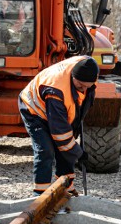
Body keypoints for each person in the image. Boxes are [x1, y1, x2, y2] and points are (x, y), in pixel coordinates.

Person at [18, 56, 98, 195]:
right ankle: (40, 194)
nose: (83, 89)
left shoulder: (87, 68)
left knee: (68, 145)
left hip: (58, 109)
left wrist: (74, 138)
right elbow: (60, 134)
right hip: (34, 109)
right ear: (73, 76)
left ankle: (65, 185)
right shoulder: (56, 89)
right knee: (46, 150)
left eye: (87, 86)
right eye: (80, 85)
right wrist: (78, 153)